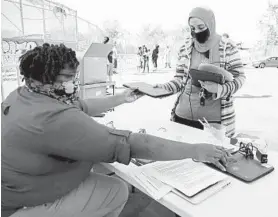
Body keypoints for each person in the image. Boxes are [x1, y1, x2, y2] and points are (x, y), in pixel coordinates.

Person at [2, 43, 233, 217]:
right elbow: (131, 144)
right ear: (47, 78)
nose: (75, 82)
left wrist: (122, 98)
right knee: (116, 190)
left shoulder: (25, 94)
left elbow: (81, 105)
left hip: (15, 189)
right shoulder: (54, 119)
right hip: (24, 204)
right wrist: (196, 150)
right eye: (70, 77)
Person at [155, 7, 246, 137]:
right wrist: (163, 88)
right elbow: (180, 79)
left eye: (201, 27)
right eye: (192, 28)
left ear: (211, 24)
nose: (196, 31)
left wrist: (220, 88)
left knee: (213, 155)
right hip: (182, 117)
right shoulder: (185, 47)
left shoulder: (228, 47)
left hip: (214, 123)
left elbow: (240, 77)